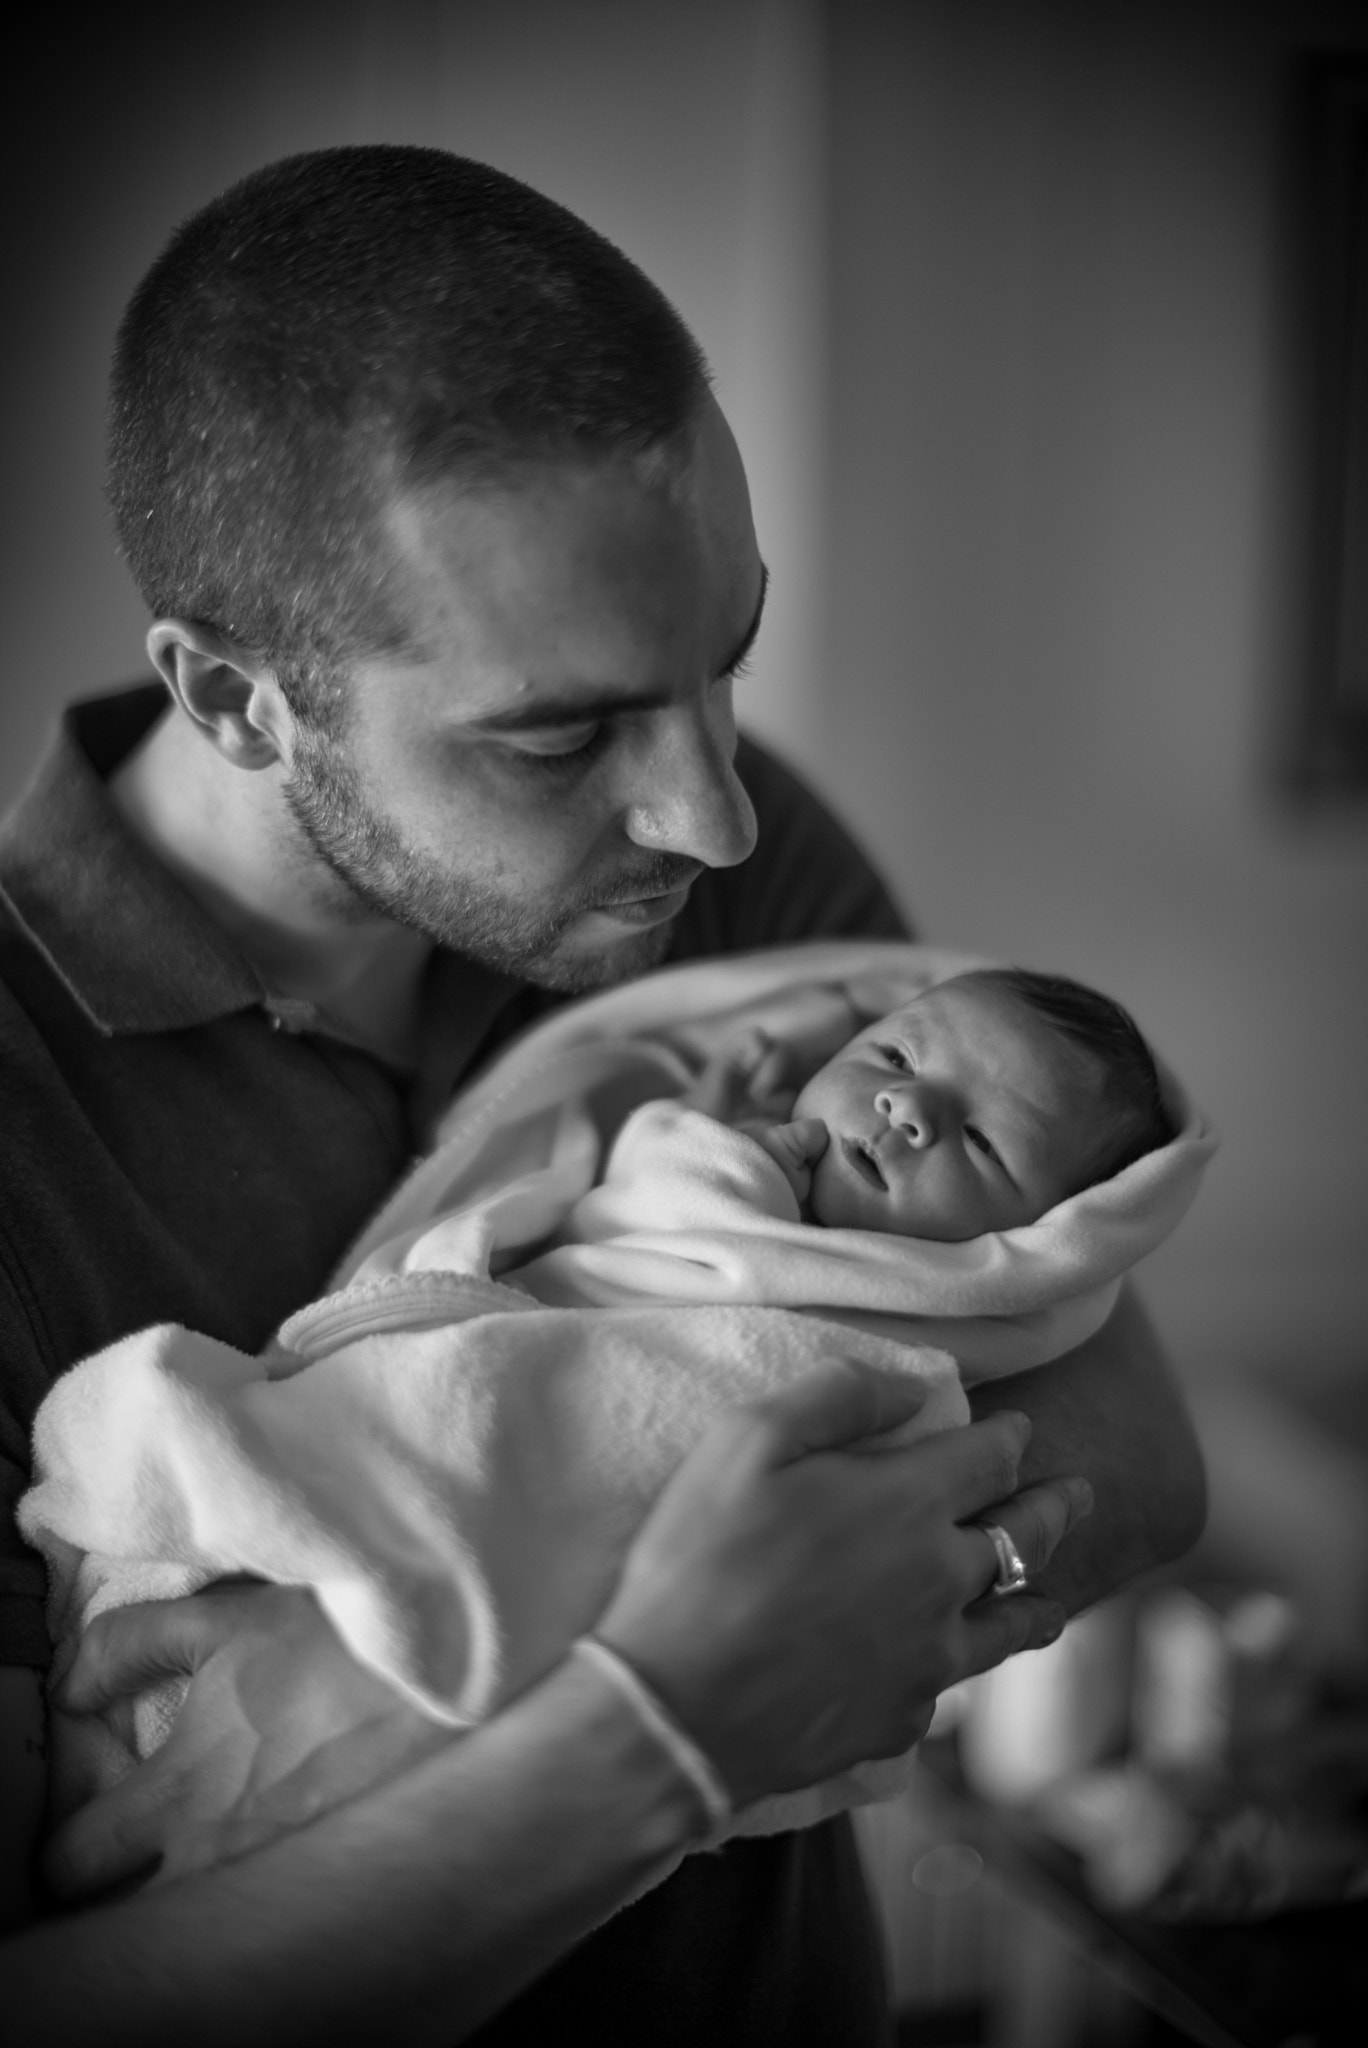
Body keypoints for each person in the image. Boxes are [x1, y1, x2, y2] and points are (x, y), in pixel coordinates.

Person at [0, 145, 1205, 2044]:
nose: (712, 814)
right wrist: (661, 1726)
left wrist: (535, 1686)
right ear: (237, 702)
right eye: (560, 735)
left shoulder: (741, 865)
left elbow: (1132, 1447)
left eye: (726, 660)